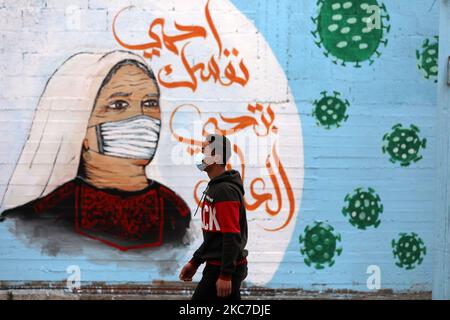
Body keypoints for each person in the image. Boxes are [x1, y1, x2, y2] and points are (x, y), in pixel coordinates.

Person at [0, 51, 191, 251]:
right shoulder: (32, 223)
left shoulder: (176, 213)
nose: (141, 117)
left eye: (150, 103)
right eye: (118, 105)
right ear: (79, 127)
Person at [179, 134, 248, 300]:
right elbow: (214, 237)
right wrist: (195, 261)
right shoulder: (215, 188)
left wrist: (225, 275)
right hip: (217, 266)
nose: (200, 154)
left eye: (204, 151)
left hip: (221, 270)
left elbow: (231, 235)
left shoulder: (224, 190)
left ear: (216, 157)